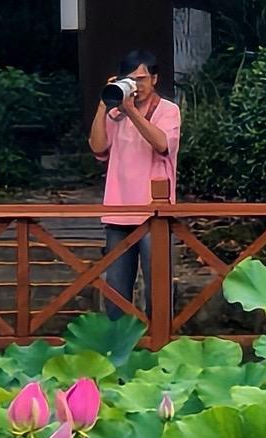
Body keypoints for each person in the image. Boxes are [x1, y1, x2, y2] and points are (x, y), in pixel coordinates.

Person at [88, 48, 181, 321]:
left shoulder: (168, 111)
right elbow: (97, 147)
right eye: (130, 80)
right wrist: (105, 104)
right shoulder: (115, 113)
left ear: (154, 79)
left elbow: (162, 144)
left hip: (155, 214)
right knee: (116, 291)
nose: (137, 86)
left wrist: (131, 111)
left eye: (141, 79)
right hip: (118, 210)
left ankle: (161, 346)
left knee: (158, 288)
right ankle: (120, 351)